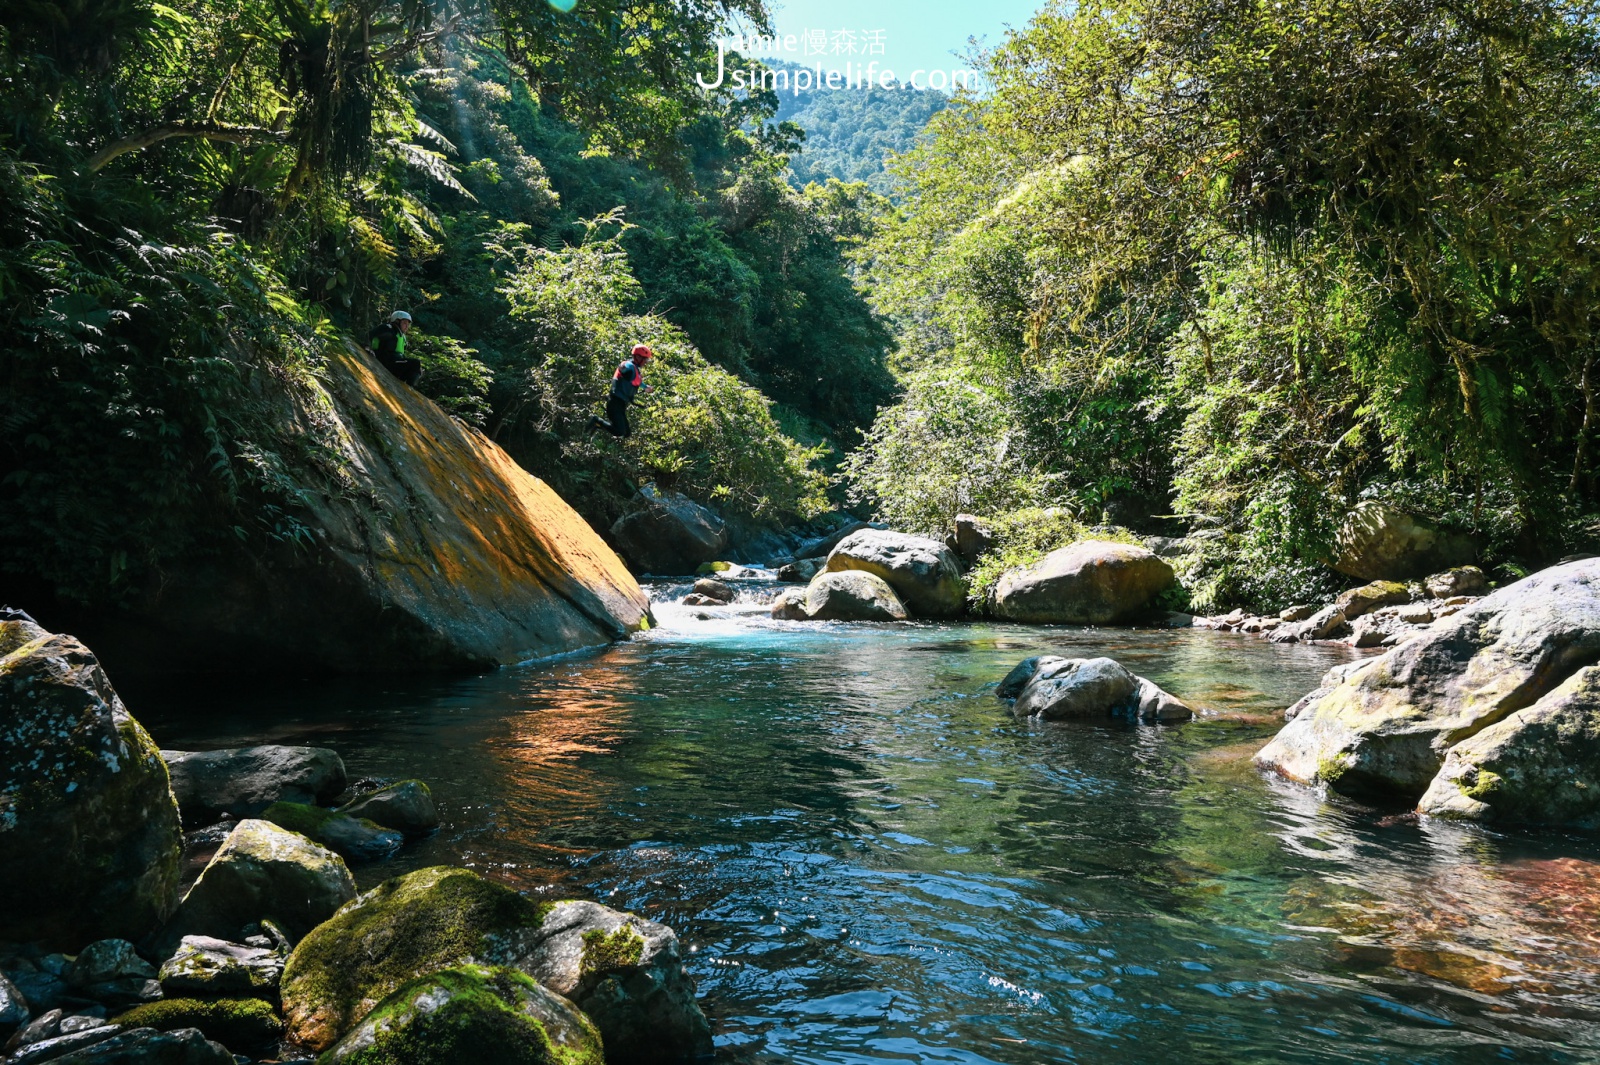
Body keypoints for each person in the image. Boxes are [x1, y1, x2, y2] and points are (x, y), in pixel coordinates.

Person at [588, 344, 654, 439]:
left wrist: (646, 387)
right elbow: (623, 367)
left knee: (626, 433)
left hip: (621, 404)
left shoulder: (635, 370)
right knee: (619, 431)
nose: (646, 362)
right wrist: (623, 370)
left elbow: (637, 381)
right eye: (645, 359)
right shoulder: (629, 365)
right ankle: (596, 420)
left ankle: (598, 425)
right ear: (638, 357)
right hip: (615, 402)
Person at [370, 310, 422, 386]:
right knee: (415, 363)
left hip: (396, 362)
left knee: (418, 369)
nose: (407, 326)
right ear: (397, 321)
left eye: (408, 324)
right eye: (404, 323)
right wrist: (367, 346)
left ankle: (407, 387)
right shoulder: (387, 328)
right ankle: (409, 388)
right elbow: (370, 335)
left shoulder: (402, 336)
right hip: (387, 360)